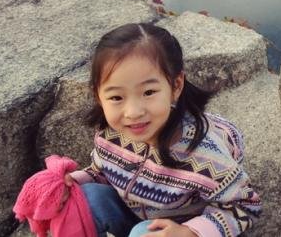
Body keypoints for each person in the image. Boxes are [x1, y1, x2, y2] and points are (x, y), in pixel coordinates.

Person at [59, 23, 261, 236]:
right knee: (84, 197)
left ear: (176, 86)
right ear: (98, 96)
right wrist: (76, 179)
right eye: (116, 97)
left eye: (148, 92)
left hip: (177, 227)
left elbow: (246, 206)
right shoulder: (110, 133)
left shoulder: (205, 155)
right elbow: (103, 172)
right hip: (131, 211)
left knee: (141, 232)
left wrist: (191, 231)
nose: (133, 112)